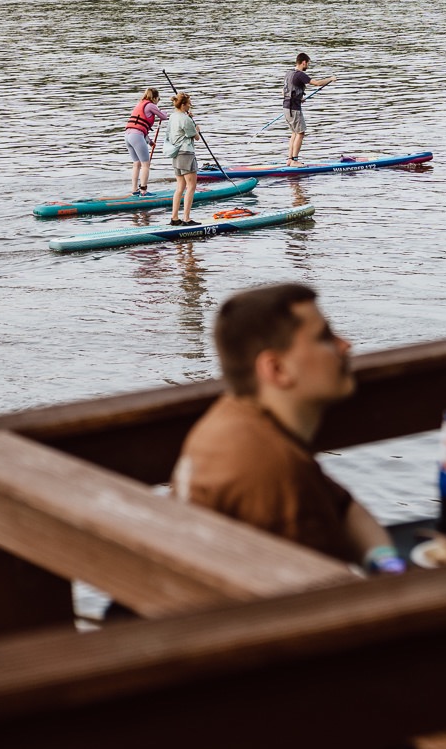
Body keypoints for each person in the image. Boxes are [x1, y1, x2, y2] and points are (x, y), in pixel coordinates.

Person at [172, 283, 405, 574]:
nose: (345, 345)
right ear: (276, 369)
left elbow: (344, 508)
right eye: (324, 337)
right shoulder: (272, 469)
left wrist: (384, 560)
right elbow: (324, 598)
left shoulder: (234, 418)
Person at [283, 53, 334, 166]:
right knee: (300, 133)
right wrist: (330, 79)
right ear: (304, 62)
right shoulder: (300, 75)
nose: (308, 66)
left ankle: (289, 160)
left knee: (294, 133)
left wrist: (298, 98)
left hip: (287, 107)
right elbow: (317, 83)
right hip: (294, 109)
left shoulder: (289, 73)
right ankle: (294, 161)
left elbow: (284, 91)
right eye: (308, 64)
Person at [123, 88, 169, 196]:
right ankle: (143, 190)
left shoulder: (140, 104)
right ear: (154, 97)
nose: (158, 101)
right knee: (146, 164)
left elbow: (139, 125)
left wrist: (149, 141)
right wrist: (164, 112)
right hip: (136, 136)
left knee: (137, 164)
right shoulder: (151, 105)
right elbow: (163, 117)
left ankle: (134, 190)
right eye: (158, 98)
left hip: (128, 136)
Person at [166, 92, 200, 225]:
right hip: (186, 153)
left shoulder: (173, 117)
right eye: (189, 105)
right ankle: (186, 218)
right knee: (191, 186)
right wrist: (196, 128)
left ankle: (174, 218)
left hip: (176, 154)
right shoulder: (185, 119)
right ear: (183, 105)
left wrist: (189, 119)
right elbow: (195, 136)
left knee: (180, 187)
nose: (190, 107)